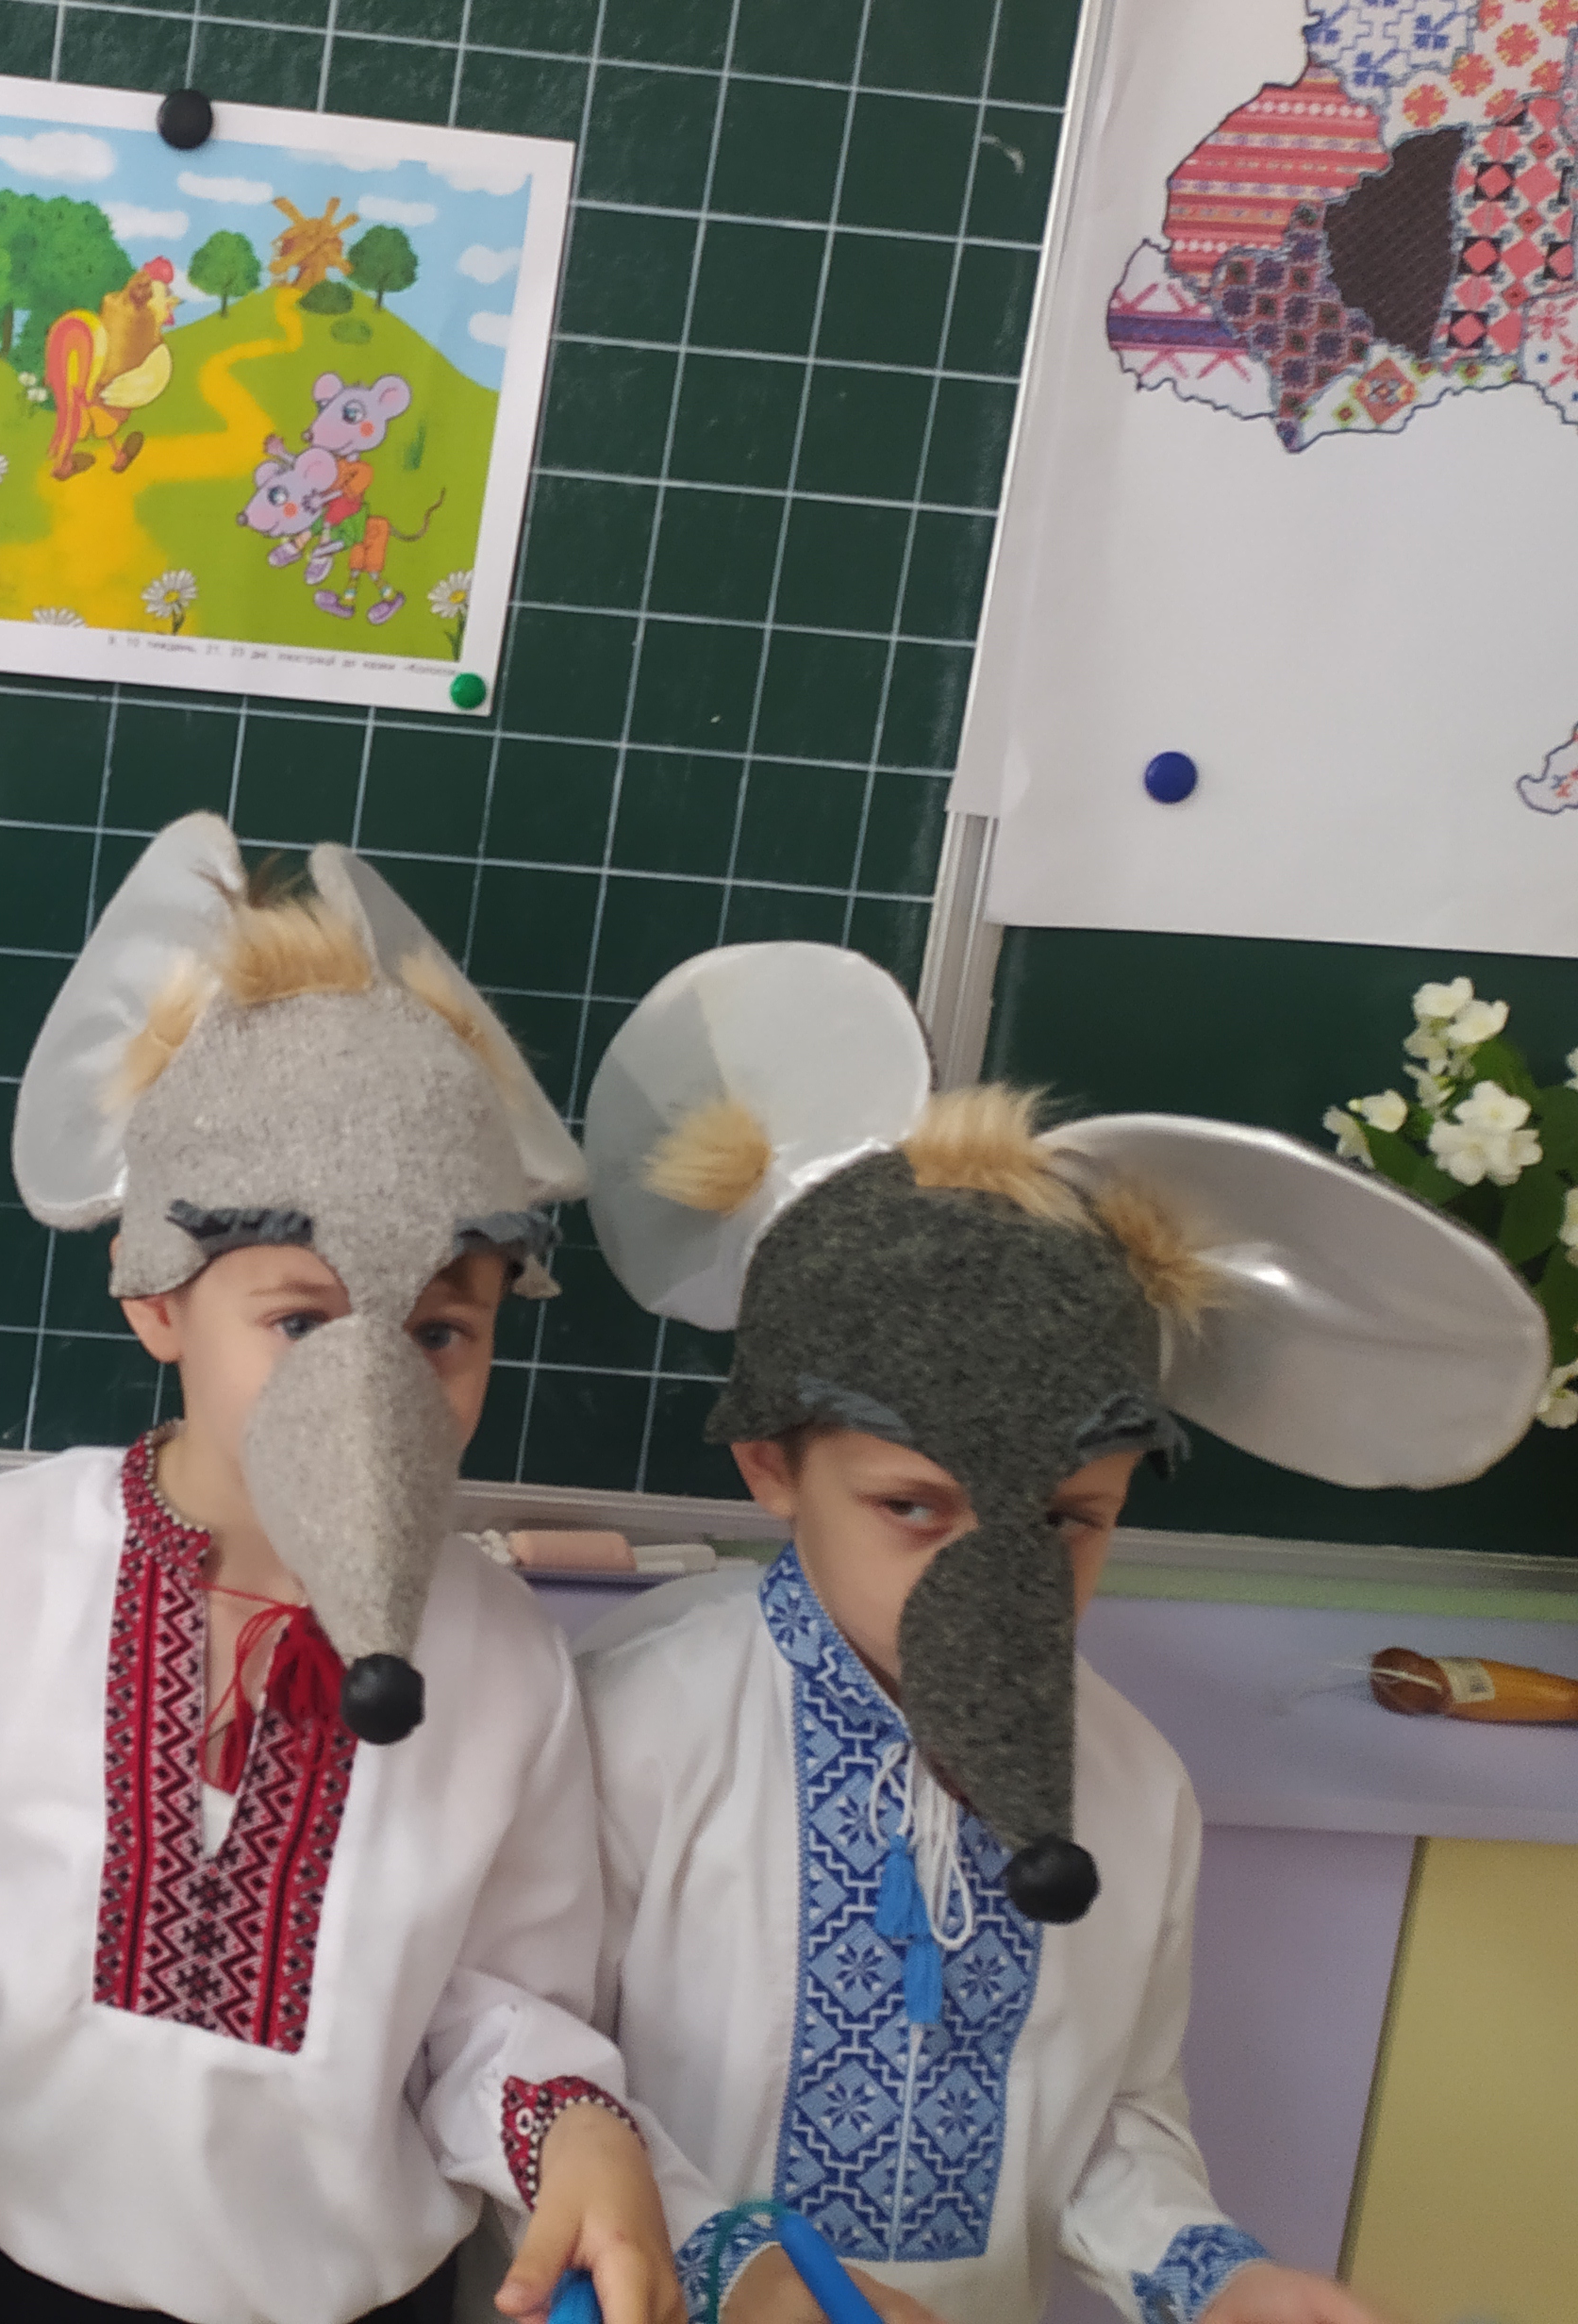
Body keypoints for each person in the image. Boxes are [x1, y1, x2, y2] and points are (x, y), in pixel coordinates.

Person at [0, 816, 684, 2324]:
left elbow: (494, 2010)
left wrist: (571, 2126)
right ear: (157, 1298)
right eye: (301, 1321)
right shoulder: (9, 1553)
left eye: (439, 1330)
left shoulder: (501, 1658)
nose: (374, 1390)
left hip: (337, 2297)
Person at [572, 941, 1549, 2324]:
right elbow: (530, 2074)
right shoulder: (634, 1724)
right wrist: (753, 2278)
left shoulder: (1131, 1784)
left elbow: (1111, 2122)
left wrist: (1221, 2281)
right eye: (915, 1507)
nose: (996, 1581)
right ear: (773, 1465)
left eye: (1068, 1520)